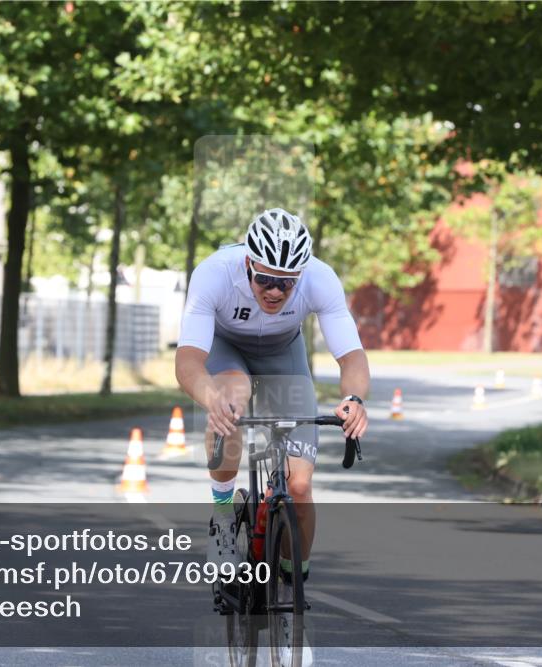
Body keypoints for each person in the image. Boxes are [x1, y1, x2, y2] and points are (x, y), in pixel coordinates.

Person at [175, 207, 370, 665]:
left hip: (284, 354)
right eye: (265, 279)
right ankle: (223, 515)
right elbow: (188, 360)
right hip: (227, 349)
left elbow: (351, 356)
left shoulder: (320, 278)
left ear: (301, 274)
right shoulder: (215, 274)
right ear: (248, 264)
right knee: (232, 398)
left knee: (299, 485)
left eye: (287, 282)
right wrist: (210, 397)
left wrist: (354, 399)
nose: (276, 291)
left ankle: (291, 580)